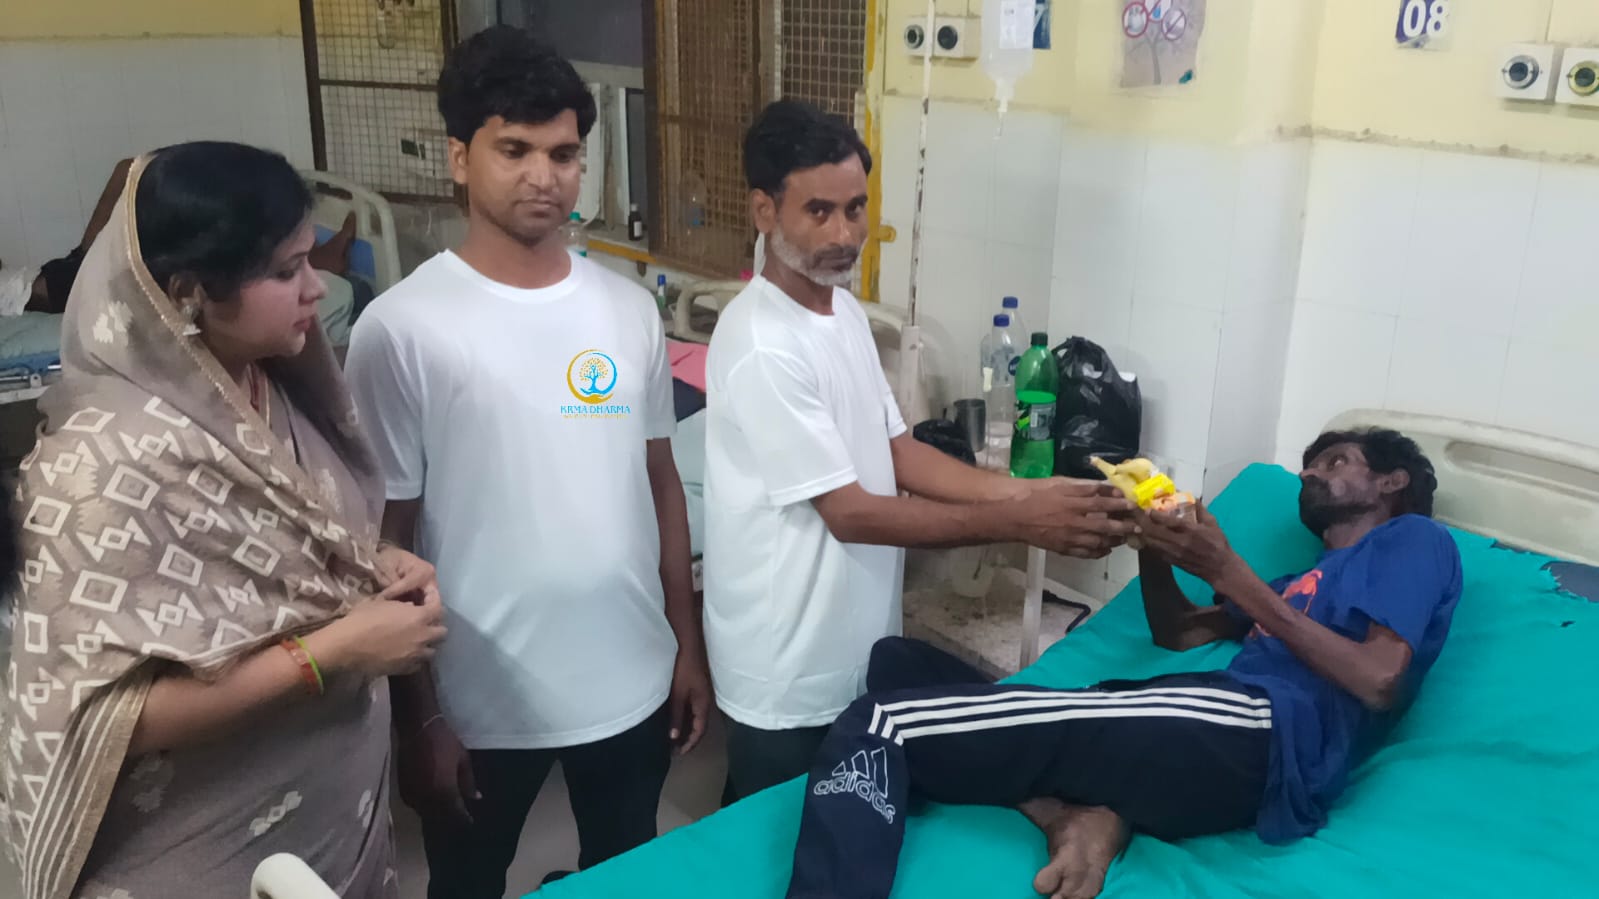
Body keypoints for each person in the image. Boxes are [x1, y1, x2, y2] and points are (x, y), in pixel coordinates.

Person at [0, 142, 447, 899]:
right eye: (286, 271)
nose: (318, 288)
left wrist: (374, 562)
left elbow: (303, 539)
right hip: (204, 838)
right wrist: (337, 648)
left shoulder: (279, 388)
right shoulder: (99, 466)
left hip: (336, 809)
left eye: (309, 262)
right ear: (189, 292)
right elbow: (104, 715)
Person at [344, 26, 711, 896]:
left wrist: (684, 646)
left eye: (563, 153)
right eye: (514, 150)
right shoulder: (401, 329)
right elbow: (386, 538)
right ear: (459, 157)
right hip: (479, 700)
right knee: (466, 883)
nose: (544, 175)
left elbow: (659, 484)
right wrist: (418, 715)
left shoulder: (626, 310)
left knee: (625, 876)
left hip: (630, 676)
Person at [784, 428, 1462, 899]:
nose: (1311, 473)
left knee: (881, 724)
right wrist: (1155, 546)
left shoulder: (1414, 540)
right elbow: (1178, 631)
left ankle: (1087, 808)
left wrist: (1228, 570)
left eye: (1335, 461)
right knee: (896, 661)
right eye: (1309, 464)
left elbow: (1379, 679)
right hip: (1200, 724)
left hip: (1260, 732)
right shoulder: (1296, 584)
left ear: (1391, 480)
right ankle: (1068, 813)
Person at [704, 100, 1137, 805]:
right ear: (763, 211)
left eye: (855, 209)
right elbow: (850, 512)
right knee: (777, 835)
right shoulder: (763, 343)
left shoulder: (840, 311)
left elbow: (898, 452)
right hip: (785, 669)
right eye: (818, 212)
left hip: (853, 649)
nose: (844, 234)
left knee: (841, 824)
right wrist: (1020, 521)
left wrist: (1037, 494)